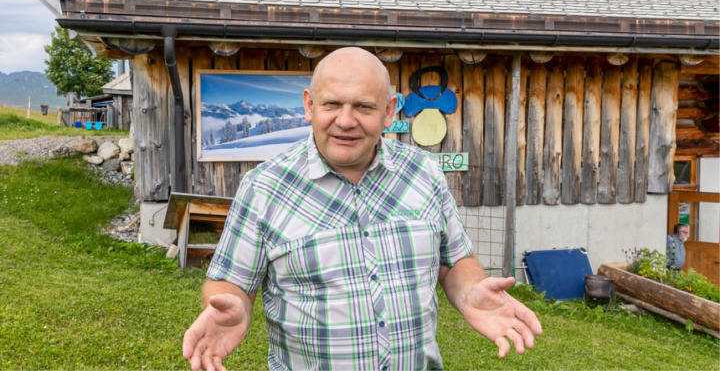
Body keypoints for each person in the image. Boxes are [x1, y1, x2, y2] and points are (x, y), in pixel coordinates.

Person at [182, 47, 542, 371]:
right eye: (332, 104)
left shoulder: (425, 173)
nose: (345, 120)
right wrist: (229, 306)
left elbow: (454, 262)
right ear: (309, 106)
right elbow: (230, 282)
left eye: (364, 106)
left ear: (389, 111)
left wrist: (470, 291)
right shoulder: (264, 187)